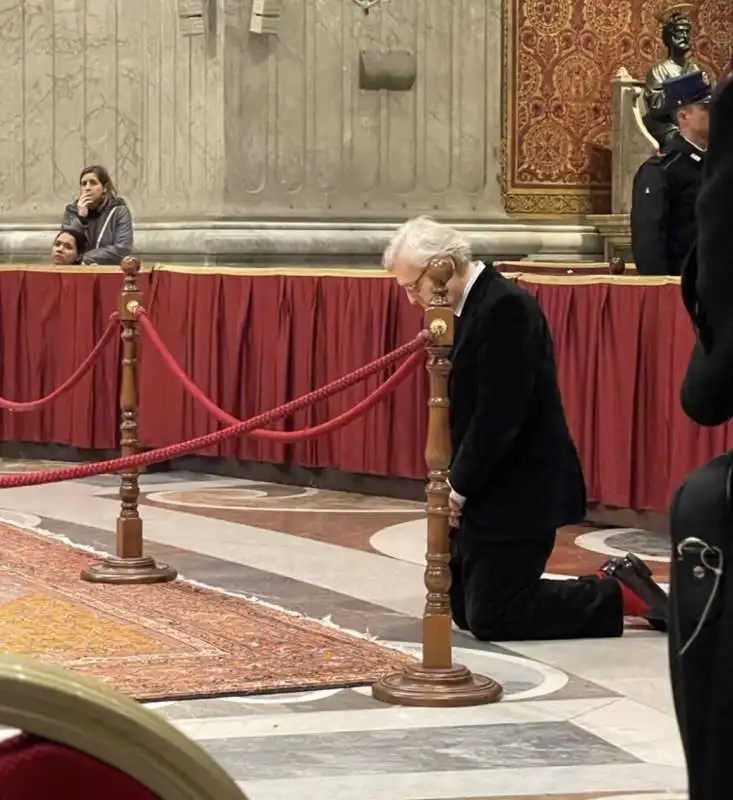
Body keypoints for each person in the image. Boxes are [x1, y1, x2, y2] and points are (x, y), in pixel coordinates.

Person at [383, 216, 668, 641]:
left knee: (494, 617)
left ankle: (615, 593)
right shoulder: (467, 308)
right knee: (462, 606)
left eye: (413, 285)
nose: (411, 300)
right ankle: (600, 587)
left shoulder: (505, 306)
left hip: (521, 489)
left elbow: (500, 415)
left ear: (443, 265)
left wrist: (456, 488)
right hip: (488, 487)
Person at [631, 71, 710, 276]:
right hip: (680, 285)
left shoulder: (717, 163)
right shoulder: (663, 169)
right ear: (684, 116)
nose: (715, 113)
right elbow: (649, 242)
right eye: (706, 108)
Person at [62, 165, 133, 265]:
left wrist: (86, 258)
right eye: (83, 184)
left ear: (104, 188)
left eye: (93, 183)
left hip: (107, 271)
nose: (87, 188)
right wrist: (81, 218)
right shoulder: (72, 211)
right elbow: (67, 245)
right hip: (77, 272)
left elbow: (122, 249)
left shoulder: (118, 211)